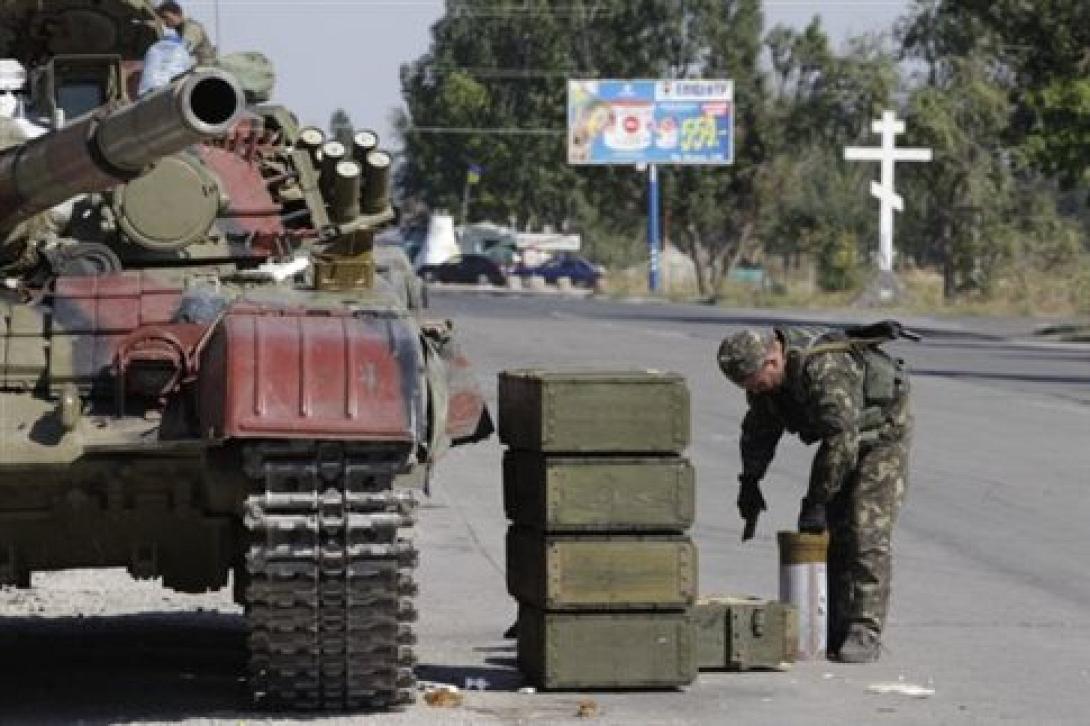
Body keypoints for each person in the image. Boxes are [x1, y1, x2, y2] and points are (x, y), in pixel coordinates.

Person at [717, 323, 913, 663]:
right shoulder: (766, 383)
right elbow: (760, 428)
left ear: (773, 358)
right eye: (747, 386)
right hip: (844, 436)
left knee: (865, 529)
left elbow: (841, 440)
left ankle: (865, 628)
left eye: (756, 382)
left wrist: (815, 500)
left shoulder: (825, 368)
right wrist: (750, 481)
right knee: (832, 532)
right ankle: (835, 623)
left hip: (881, 435)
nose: (754, 390)